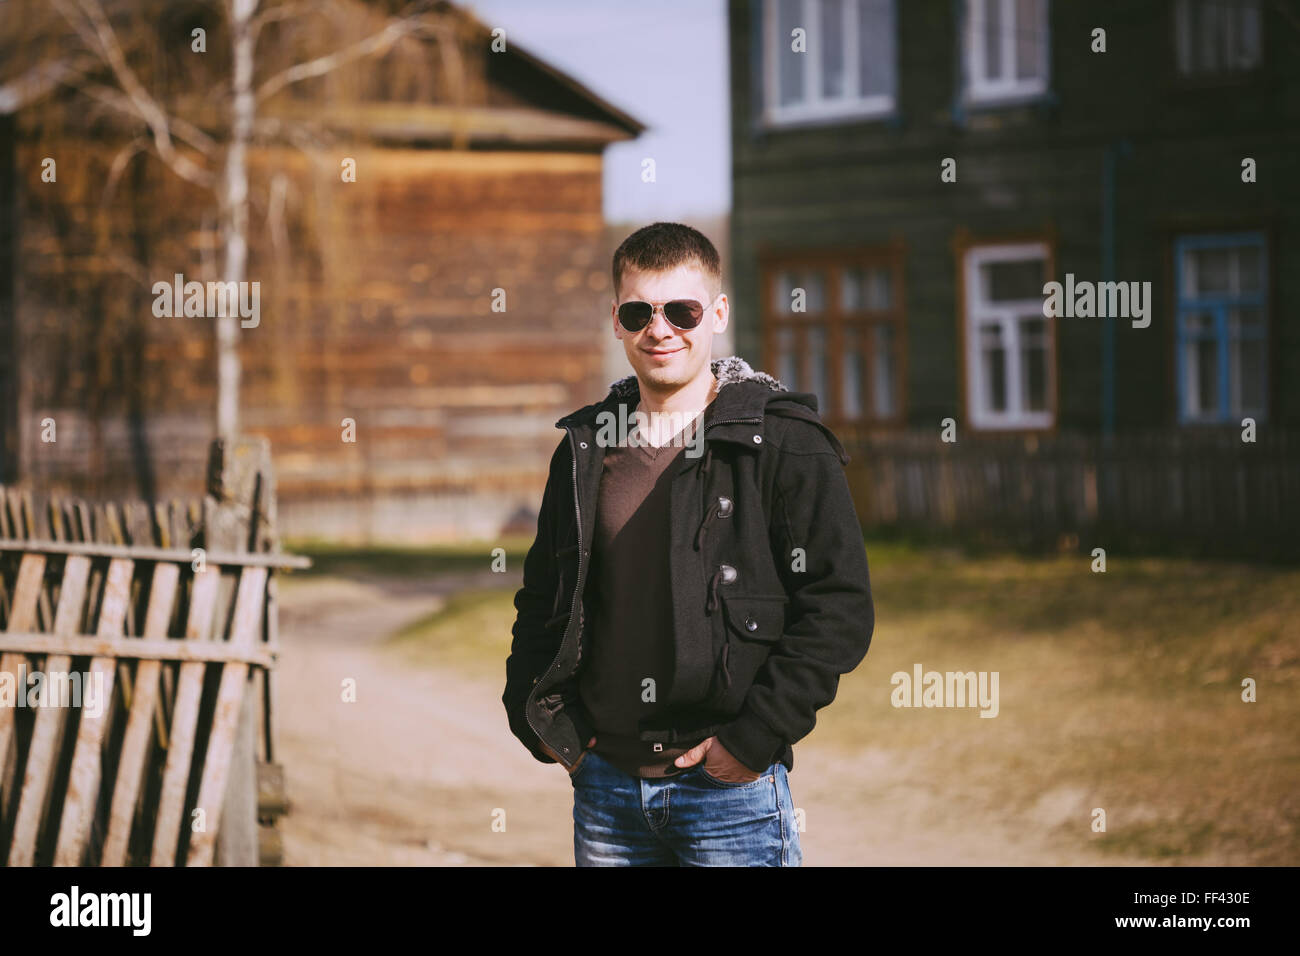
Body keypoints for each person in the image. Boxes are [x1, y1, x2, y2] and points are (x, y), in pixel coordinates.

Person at [503, 221, 874, 866]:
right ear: (616, 321)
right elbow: (543, 599)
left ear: (719, 314)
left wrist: (754, 739)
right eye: (638, 311)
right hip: (606, 789)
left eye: (682, 309)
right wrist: (543, 722)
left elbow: (839, 605)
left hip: (729, 793)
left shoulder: (783, 443)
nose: (660, 328)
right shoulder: (585, 450)